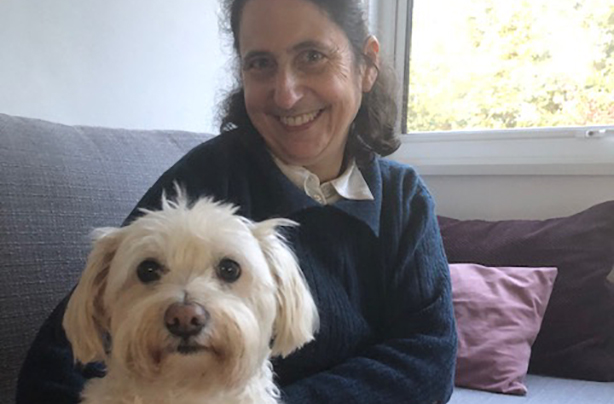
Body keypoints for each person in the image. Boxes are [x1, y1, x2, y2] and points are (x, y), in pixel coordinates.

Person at [16, 0, 457, 403]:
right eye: (261, 64)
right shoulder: (206, 178)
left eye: (312, 56)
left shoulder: (404, 199)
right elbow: (72, 346)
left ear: (367, 64)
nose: (286, 93)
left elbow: (429, 361)